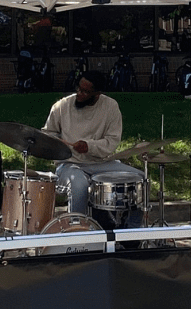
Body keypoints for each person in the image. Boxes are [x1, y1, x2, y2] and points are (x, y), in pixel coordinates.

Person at [41, 71, 141, 225]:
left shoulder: (111, 107)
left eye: (85, 91)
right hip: (69, 164)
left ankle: (131, 233)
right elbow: (47, 135)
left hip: (100, 163)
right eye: (78, 88)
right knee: (79, 186)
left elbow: (112, 141)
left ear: (97, 94)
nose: (79, 93)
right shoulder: (62, 106)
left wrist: (89, 146)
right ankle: (77, 233)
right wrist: (57, 144)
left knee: (140, 179)